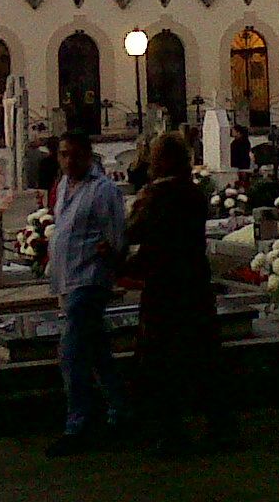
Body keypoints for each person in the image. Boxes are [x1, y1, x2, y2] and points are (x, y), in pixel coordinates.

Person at [125, 133, 233, 456]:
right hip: (195, 284)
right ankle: (220, 426)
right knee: (203, 359)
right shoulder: (194, 193)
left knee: (162, 362)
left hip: (164, 289)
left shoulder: (157, 196)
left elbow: (135, 230)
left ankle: (171, 432)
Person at [47, 130, 129, 457]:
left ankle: (77, 424)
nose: (68, 161)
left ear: (87, 155)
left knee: (71, 351)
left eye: (74, 155)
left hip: (89, 279)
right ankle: (121, 408)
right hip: (68, 279)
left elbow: (116, 237)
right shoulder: (65, 185)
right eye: (63, 154)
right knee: (96, 350)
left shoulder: (103, 190)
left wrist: (109, 254)